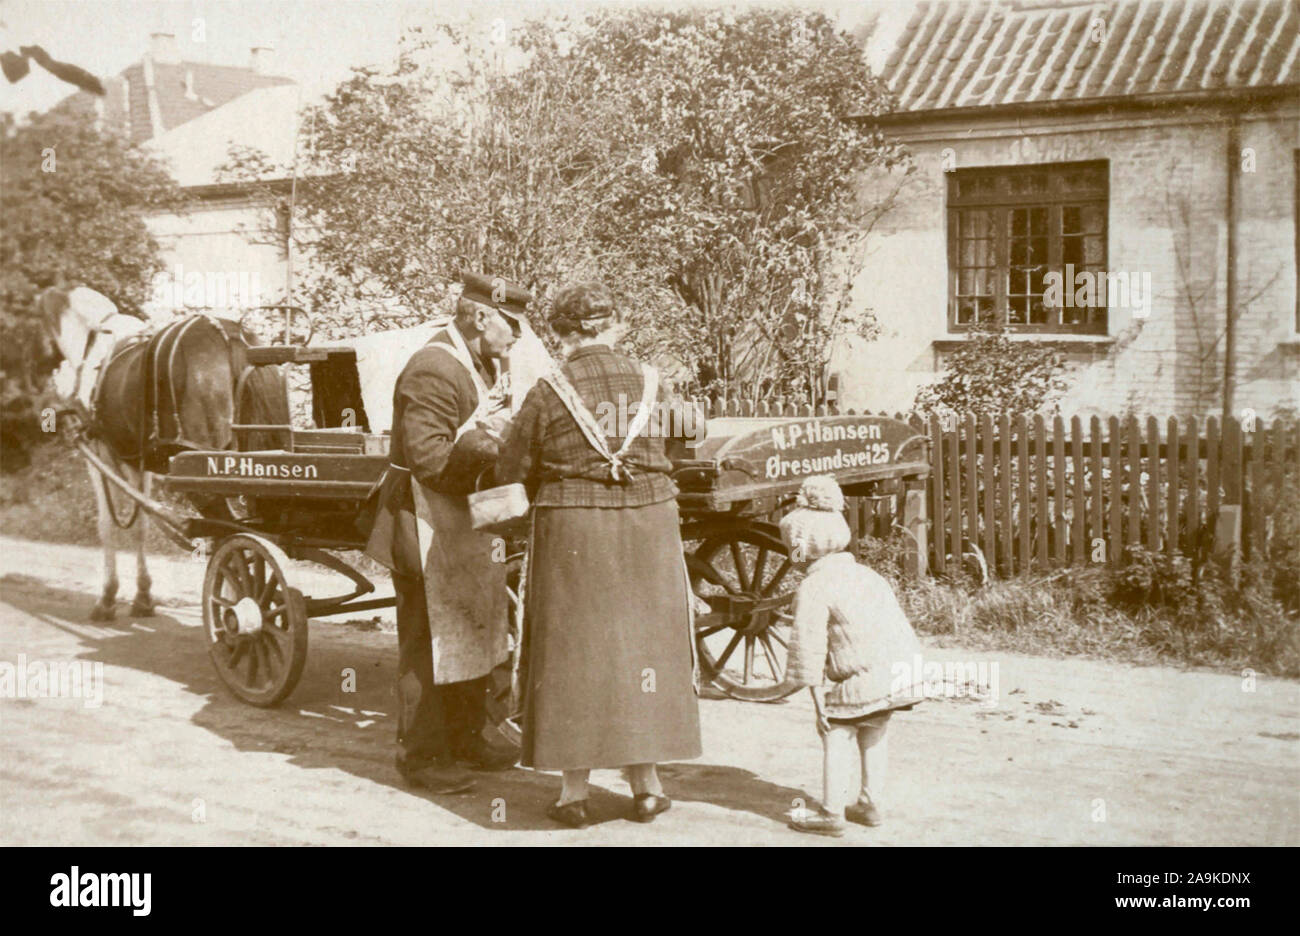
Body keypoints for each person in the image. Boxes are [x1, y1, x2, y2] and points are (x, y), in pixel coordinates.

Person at [495, 281, 702, 828]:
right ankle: (649, 789)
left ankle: (573, 796)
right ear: (616, 326)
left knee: (574, 653)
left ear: (562, 334)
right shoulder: (654, 381)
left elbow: (510, 469)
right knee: (646, 653)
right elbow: (687, 437)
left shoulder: (548, 389)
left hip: (573, 530)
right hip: (650, 523)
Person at [365, 272, 529, 794]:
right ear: (481, 317)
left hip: (467, 519)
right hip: (424, 521)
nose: (519, 336)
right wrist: (501, 452)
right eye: (514, 325)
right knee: (428, 638)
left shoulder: (482, 364)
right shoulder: (434, 369)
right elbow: (430, 459)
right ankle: (422, 755)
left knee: (480, 625)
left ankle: (472, 738)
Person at [775, 475, 924, 837]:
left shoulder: (813, 586)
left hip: (861, 677)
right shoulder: (866, 574)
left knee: (836, 734)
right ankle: (871, 804)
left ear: (802, 549)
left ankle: (830, 813)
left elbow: (807, 644)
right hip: (898, 669)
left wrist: (815, 697)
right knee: (874, 730)